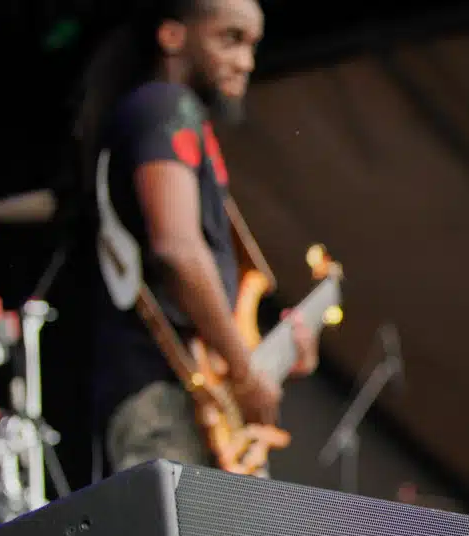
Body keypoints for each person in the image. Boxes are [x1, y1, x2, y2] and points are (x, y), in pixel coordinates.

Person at [75, 0, 317, 473]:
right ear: (172, 36)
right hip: (163, 399)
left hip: (183, 401)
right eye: (230, 38)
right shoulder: (164, 106)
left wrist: (275, 355)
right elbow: (179, 251)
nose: (245, 61)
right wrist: (247, 377)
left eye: (252, 45)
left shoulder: (163, 113)